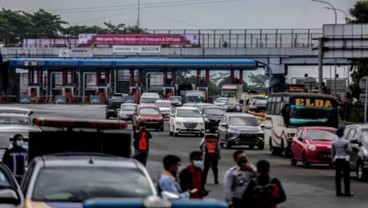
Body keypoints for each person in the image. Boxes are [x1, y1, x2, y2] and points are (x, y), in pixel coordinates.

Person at [331, 127, 354, 197]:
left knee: (337, 176)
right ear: (343, 134)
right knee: (346, 176)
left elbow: (333, 153)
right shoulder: (346, 142)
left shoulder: (334, 142)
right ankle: (347, 192)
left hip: (337, 159)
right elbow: (349, 150)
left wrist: (332, 160)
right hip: (344, 159)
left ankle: (338, 192)